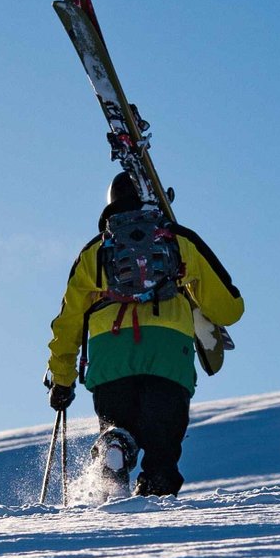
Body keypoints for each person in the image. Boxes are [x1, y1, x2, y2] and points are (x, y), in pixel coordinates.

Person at [46, 172, 245, 497]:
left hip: (110, 359)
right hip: (168, 358)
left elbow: (67, 323)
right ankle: (155, 505)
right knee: (162, 454)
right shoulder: (180, 242)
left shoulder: (93, 253)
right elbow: (230, 310)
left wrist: (62, 380)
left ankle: (116, 445)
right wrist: (191, 290)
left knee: (118, 427)